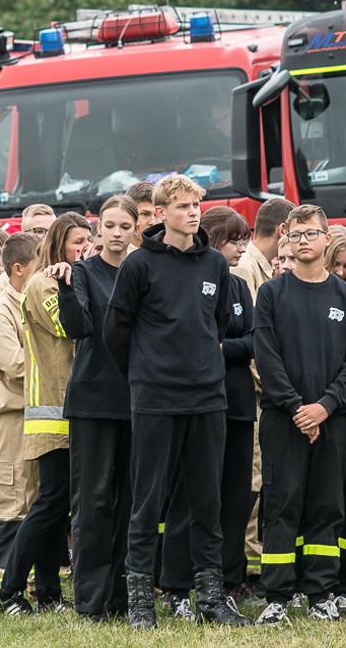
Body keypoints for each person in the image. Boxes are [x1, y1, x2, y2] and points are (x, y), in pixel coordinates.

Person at [104, 176, 248, 628]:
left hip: (208, 396)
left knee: (207, 500)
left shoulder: (214, 265)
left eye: (196, 205)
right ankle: (141, 600)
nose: (192, 213)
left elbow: (219, 324)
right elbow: (116, 332)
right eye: (183, 206)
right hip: (155, 398)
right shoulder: (139, 265)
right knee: (147, 502)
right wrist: (145, 374)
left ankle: (211, 597)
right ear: (161, 212)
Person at [252, 205, 346, 625]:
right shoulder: (271, 293)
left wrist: (325, 407)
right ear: (285, 237)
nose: (304, 241)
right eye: (296, 234)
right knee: (282, 504)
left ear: (326, 238)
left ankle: (322, 591)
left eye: (311, 234)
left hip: (333, 419)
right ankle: (278, 595)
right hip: (284, 419)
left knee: (327, 505)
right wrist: (297, 408)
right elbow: (266, 356)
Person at [0, 214, 86, 613]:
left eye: (88, 240)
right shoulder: (45, 283)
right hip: (52, 409)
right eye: (78, 242)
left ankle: (47, 593)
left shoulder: (71, 278)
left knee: (55, 506)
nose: (85, 249)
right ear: (60, 243)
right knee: (49, 503)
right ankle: (8, 590)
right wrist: (72, 283)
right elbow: (73, 326)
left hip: (72, 407)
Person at [56, 195, 137, 620]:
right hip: (92, 401)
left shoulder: (143, 271)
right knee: (93, 502)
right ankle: (90, 600)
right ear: (98, 228)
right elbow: (78, 327)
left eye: (125, 225)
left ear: (135, 229)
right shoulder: (83, 272)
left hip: (138, 401)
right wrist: (66, 289)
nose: (117, 233)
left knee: (128, 503)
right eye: (110, 225)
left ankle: (122, 597)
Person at [0, 231, 41, 598]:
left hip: (32, 413)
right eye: (38, 266)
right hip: (8, 416)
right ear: (18, 270)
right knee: (8, 497)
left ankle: (25, 577)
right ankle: (0, 579)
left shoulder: (30, 302)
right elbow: (16, 364)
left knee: (31, 497)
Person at [202, 207, 260, 603]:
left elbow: (255, 340)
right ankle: (196, 577)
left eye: (244, 239)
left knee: (239, 498)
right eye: (234, 240)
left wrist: (224, 347)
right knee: (205, 496)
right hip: (203, 405)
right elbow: (195, 339)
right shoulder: (196, 279)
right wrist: (221, 348)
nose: (242, 247)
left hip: (239, 405)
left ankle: (232, 579)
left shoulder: (240, 286)